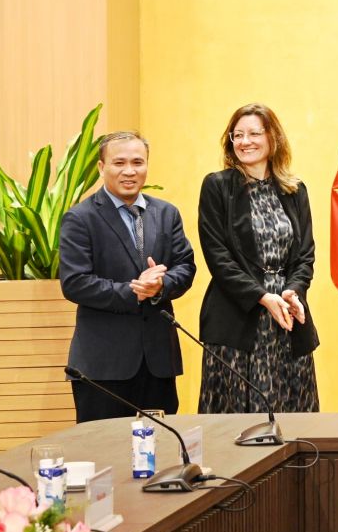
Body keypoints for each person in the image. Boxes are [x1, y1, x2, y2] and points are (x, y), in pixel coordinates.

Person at [59, 131, 196, 422]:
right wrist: (134, 290)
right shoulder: (80, 218)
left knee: (161, 445)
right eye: (119, 163)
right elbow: (75, 283)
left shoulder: (166, 213)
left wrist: (160, 285)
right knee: (104, 446)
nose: (129, 171)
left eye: (137, 162)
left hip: (158, 362)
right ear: (102, 167)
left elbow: (185, 266)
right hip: (103, 365)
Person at [195, 103, 320, 414]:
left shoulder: (295, 190)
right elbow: (218, 257)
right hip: (237, 319)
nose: (245, 141)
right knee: (237, 421)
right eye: (237, 135)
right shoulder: (217, 186)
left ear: (272, 138)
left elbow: (305, 254)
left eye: (253, 133)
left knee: (292, 419)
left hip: (287, 319)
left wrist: (293, 292)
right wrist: (262, 297)